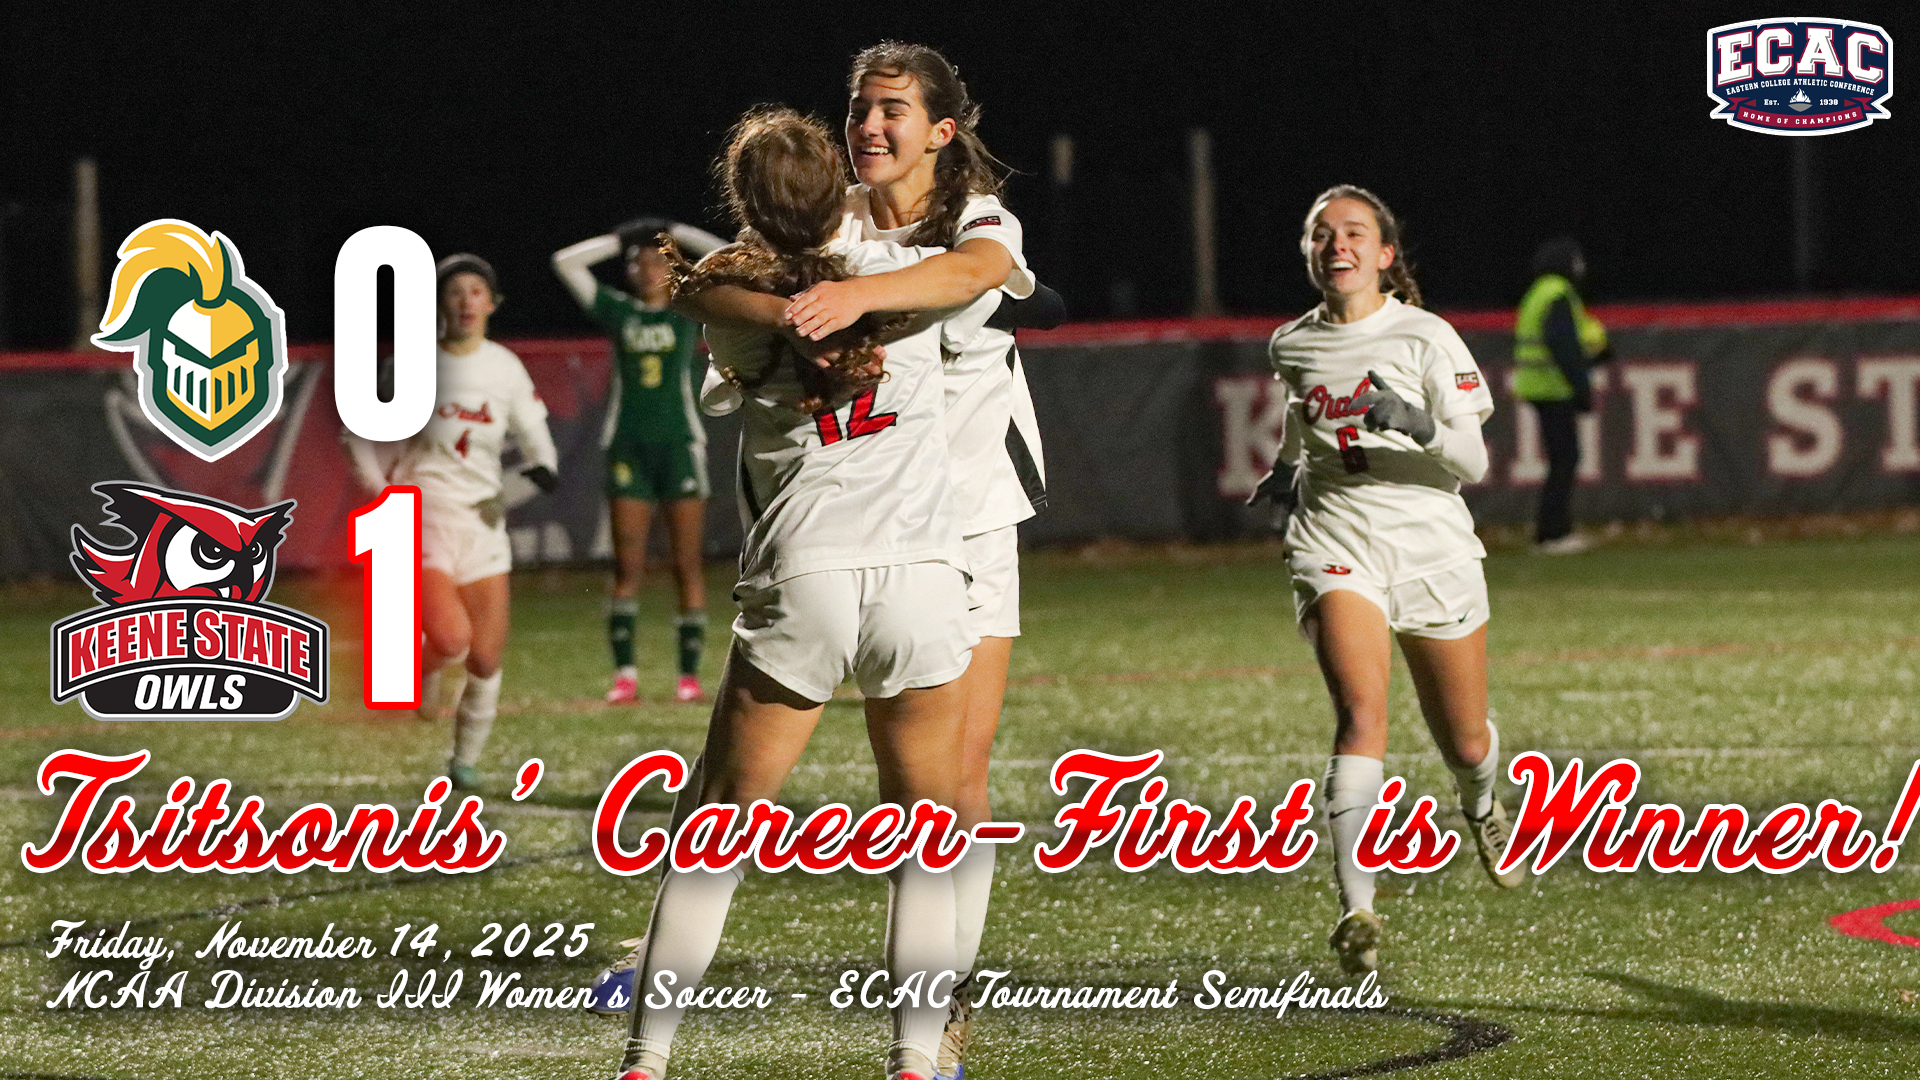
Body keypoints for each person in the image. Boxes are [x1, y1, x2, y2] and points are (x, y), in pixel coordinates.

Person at [671, 44, 1060, 1080]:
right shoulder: (821, 219)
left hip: (969, 527)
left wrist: (852, 303)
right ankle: (665, 952)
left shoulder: (974, 221)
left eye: (892, 110)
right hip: (840, 530)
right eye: (858, 109)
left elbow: (976, 275)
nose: (869, 127)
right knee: (730, 781)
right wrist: (795, 308)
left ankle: (938, 1022)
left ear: (942, 130)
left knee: (948, 791)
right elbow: (708, 287)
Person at [609, 106, 994, 1080]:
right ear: (842, 182)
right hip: (917, 575)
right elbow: (984, 267)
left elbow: (696, 288)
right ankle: (914, 1057)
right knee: (924, 832)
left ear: (743, 204)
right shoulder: (910, 270)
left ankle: (646, 1060)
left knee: (715, 829)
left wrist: (781, 308)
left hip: (805, 577)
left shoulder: (733, 302)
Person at [1252, 185, 1522, 976]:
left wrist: (1417, 421)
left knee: (1466, 739)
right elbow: (1303, 424)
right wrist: (1283, 471)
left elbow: (1474, 461)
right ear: (1309, 252)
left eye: (1355, 234)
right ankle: (1356, 907)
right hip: (1335, 543)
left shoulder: (1425, 336)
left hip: (1431, 550)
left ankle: (1480, 801)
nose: (1338, 245)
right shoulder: (1291, 344)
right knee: (1361, 712)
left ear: (1385, 255)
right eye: (1322, 234)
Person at [345, 254, 559, 790]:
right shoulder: (413, 363)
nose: (466, 301)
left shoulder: (505, 368)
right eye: (455, 291)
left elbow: (544, 461)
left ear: (493, 303)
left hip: (483, 527)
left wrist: (505, 497)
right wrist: (384, 492)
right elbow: (361, 435)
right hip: (423, 519)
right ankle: (426, 669)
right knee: (453, 636)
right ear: (439, 303)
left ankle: (463, 764)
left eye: (476, 291)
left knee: (486, 658)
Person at [553, 219, 727, 704]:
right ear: (627, 269)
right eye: (638, 261)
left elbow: (728, 253)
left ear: (672, 268)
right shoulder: (619, 312)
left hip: (680, 446)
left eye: (657, 260)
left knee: (686, 567)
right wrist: (619, 237)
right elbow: (564, 263)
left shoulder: (686, 309)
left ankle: (688, 679)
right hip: (628, 446)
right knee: (627, 566)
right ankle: (625, 676)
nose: (648, 270)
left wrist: (675, 230)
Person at [1513, 236, 1612, 554]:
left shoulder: (1537, 293)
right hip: (1552, 388)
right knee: (1565, 458)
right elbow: (1564, 346)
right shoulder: (1558, 293)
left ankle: (1551, 529)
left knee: (1561, 458)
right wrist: (1582, 389)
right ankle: (1553, 532)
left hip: (1538, 386)